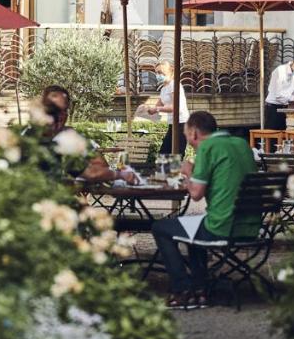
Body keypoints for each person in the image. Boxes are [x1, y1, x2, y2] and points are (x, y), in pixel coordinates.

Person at [151, 111, 256, 309]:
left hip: (222, 226)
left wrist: (188, 171)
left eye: (186, 135)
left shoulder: (207, 147)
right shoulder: (242, 144)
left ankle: (182, 289)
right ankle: (200, 289)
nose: (188, 140)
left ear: (194, 133)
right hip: (249, 226)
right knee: (193, 229)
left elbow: (196, 194)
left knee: (160, 228)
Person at [37, 85, 138, 185]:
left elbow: (101, 167)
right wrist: (121, 175)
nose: (59, 116)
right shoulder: (32, 139)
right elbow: (91, 174)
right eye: (53, 111)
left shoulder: (70, 138)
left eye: (63, 111)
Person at [146, 60, 189, 154]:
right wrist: (148, 109)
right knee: (164, 153)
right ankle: (166, 169)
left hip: (181, 123)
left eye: (160, 72)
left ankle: (174, 169)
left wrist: (157, 109)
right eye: (156, 72)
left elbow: (175, 107)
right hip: (172, 124)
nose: (158, 75)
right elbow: (158, 105)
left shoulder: (174, 85)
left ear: (169, 72)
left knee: (176, 154)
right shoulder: (164, 88)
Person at [264, 55, 294, 129]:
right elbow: (278, 95)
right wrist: (293, 101)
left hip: (286, 108)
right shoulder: (280, 71)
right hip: (273, 108)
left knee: (284, 137)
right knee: (273, 137)